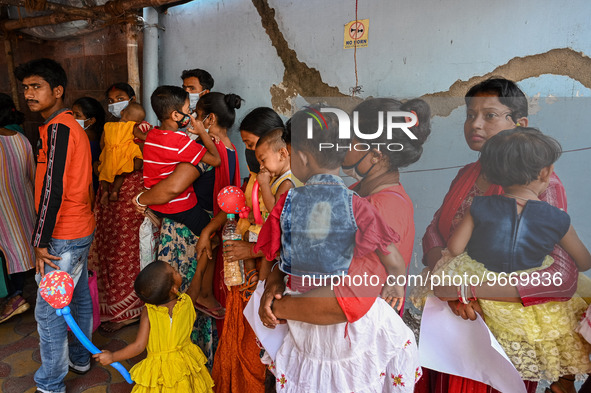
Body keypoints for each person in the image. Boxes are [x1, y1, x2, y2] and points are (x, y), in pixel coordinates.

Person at [421, 78, 579, 393]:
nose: (475, 124)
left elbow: (561, 276)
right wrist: (446, 274)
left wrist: (468, 289)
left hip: (501, 334)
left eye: (489, 115)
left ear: (520, 123)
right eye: (469, 114)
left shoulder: (542, 186)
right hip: (450, 325)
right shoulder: (467, 173)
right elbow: (434, 230)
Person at [255, 107, 418, 393]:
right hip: (344, 330)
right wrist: (395, 280)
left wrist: (273, 286)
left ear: (302, 157)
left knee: (309, 377)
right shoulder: (358, 203)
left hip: (307, 317)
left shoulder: (286, 202)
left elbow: (271, 250)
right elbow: (389, 253)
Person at [15, 58, 95, 393]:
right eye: (25, 88)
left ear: (57, 91)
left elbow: (53, 188)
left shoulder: (61, 128)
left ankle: (50, 383)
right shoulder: (63, 127)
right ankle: (80, 358)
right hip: (77, 229)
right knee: (76, 297)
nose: (29, 94)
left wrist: (40, 240)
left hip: (63, 234)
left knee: (48, 312)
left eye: (36, 87)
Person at [94, 261, 215, 393]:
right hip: (185, 364)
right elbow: (196, 284)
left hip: (158, 369)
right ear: (174, 289)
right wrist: (203, 257)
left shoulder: (148, 311)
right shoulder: (187, 303)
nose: (176, 269)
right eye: (174, 271)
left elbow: (138, 346)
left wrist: (112, 357)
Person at [90, 82, 145, 332]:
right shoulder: (108, 129)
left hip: (129, 197)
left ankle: (128, 313)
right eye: (111, 100)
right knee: (108, 247)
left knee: (126, 248)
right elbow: (104, 153)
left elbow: (140, 162)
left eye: (120, 98)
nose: (115, 104)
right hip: (109, 195)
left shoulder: (142, 130)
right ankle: (109, 308)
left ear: (132, 99)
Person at [140, 85, 221, 237]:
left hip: (155, 204)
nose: (191, 114)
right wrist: (203, 132)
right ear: (176, 115)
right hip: (180, 206)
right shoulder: (180, 142)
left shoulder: (152, 135)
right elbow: (216, 160)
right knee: (211, 233)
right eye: (188, 109)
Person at [235, 128, 295, 292]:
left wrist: (263, 184)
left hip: (279, 235)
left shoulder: (287, 181)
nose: (261, 166)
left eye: (263, 160)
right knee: (249, 235)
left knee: (259, 245)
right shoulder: (279, 178)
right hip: (272, 229)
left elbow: (274, 209)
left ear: (282, 154)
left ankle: (259, 282)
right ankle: (256, 279)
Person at [0, 93, 35, 323]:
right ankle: (18, 293)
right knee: (19, 250)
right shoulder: (21, 139)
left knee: (5, 254)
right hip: (24, 207)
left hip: (3, 210)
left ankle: (12, 298)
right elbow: (32, 176)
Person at [98, 102, 146, 205]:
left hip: (109, 154)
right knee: (121, 173)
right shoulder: (131, 126)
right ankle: (115, 190)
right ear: (137, 122)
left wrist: (106, 153)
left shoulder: (108, 126)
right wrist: (150, 132)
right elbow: (143, 137)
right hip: (123, 156)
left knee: (104, 175)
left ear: (122, 112)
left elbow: (102, 142)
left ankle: (105, 191)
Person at [72, 97, 105, 195]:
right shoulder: (79, 137)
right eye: (72, 114)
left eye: (77, 115)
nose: (73, 118)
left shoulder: (94, 141)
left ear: (91, 120)